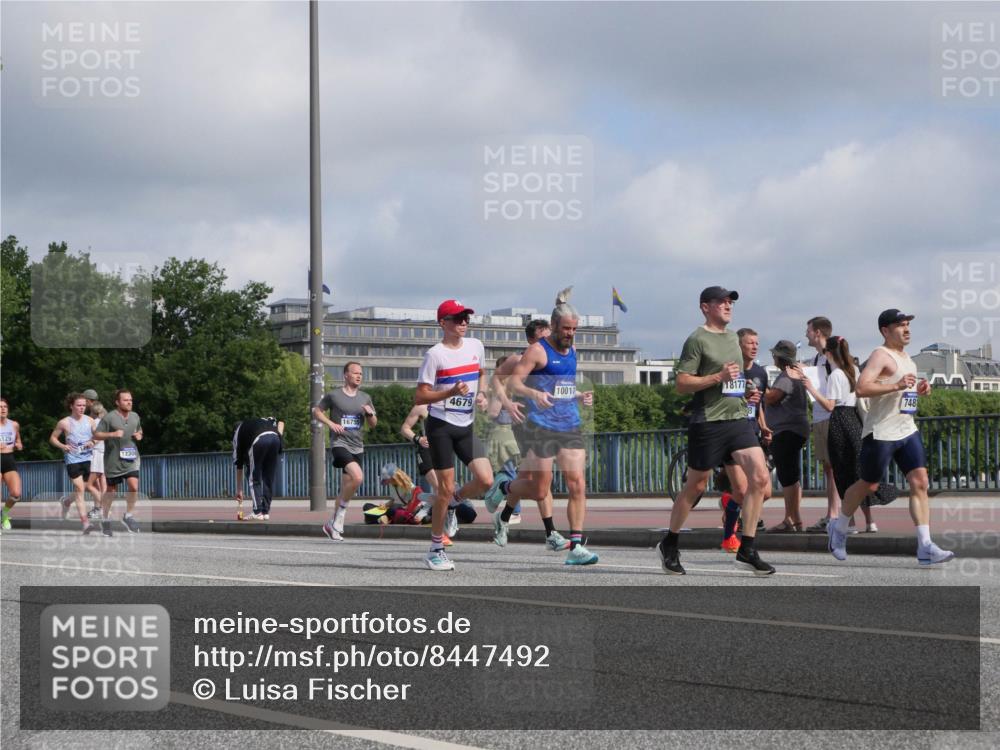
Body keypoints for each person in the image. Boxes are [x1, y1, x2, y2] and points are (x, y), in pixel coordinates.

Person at [656, 286, 774, 576]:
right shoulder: (697, 339)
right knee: (696, 486)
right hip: (707, 422)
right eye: (721, 301)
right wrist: (717, 377)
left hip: (737, 421)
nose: (727, 305)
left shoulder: (734, 339)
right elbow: (682, 383)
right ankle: (669, 542)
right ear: (704, 307)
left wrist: (746, 391)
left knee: (760, 478)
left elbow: (734, 379)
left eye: (730, 301)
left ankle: (747, 548)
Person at [828, 310, 954, 565]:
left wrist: (919, 388)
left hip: (906, 428)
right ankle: (839, 528)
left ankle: (925, 546)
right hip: (882, 431)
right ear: (885, 330)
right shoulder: (880, 355)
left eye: (907, 325)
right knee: (868, 484)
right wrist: (896, 385)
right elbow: (862, 388)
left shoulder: (908, 358)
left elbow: (904, 391)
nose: (906, 329)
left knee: (920, 481)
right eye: (900, 325)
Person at [484, 287, 597, 565]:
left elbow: (562, 386)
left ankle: (576, 546)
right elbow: (513, 382)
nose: (570, 334)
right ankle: (505, 486)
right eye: (566, 328)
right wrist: (534, 395)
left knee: (577, 484)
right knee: (538, 490)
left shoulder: (573, 350)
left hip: (569, 423)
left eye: (574, 329)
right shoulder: (537, 351)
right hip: (540, 426)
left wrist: (579, 396)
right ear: (553, 327)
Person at [415, 299, 493, 571]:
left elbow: (482, 373)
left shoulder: (476, 346)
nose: (463, 323)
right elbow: (420, 395)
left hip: (466, 425)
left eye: (466, 318)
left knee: (485, 479)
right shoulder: (434, 354)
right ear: (443, 323)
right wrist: (449, 392)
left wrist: (481, 393)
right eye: (457, 318)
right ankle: (435, 549)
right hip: (441, 426)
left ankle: (452, 503)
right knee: (444, 488)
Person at [487, 319, 569, 548]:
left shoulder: (550, 361)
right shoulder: (517, 360)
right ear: (532, 340)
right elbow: (496, 378)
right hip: (526, 424)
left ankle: (503, 517)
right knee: (543, 481)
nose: (548, 342)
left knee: (529, 479)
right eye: (543, 338)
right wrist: (507, 403)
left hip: (548, 423)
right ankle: (551, 533)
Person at [794, 336, 879, 532]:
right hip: (855, 421)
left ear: (829, 353)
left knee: (843, 472)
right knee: (860, 472)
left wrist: (811, 389)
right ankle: (870, 521)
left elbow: (830, 405)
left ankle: (850, 523)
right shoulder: (854, 371)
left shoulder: (835, 376)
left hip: (840, 421)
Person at [718, 328, 773, 552]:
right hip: (732, 433)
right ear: (739, 346)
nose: (754, 346)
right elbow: (725, 402)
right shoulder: (733, 371)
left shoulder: (761, 372)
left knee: (765, 492)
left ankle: (730, 503)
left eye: (756, 343)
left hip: (752, 435)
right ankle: (730, 537)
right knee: (742, 491)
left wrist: (763, 425)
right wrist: (743, 397)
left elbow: (760, 404)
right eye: (750, 343)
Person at [314, 362, 377, 541]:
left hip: (358, 445)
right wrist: (331, 424)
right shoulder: (334, 395)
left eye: (361, 374)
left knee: (345, 489)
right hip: (340, 444)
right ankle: (340, 515)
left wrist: (370, 414)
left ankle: (332, 525)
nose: (359, 376)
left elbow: (373, 425)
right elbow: (317, 411)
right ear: (346, 375)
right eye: (355, 373)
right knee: (358, 477)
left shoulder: (365, 397)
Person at [763, 340, 809, 533]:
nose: (773, 357)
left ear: (780, 357)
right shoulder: (797, 373)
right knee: (792, 475)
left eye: (775, 354)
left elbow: (772, 397)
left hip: (786, 429)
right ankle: (795, 519)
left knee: (787, 476)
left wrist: (757, 388)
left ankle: (790, 519)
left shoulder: (786, 376)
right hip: (797, 428)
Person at [803, 316, 842, 532]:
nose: (806, 334)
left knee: (833, 467)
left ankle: (835, 514)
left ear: (818, 332)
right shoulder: (818, 358)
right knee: (829, 468)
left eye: (808, 330)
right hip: (820, 415)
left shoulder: (831, 355)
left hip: (830, 415)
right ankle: (835, 513)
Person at [94, 389, 143, 535]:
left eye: (131, 400)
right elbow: (96, 434)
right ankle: (105, 519)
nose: (129, 402)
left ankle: (128, 515)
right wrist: (112, 434)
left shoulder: (135, 416)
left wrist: (139, 435)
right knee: (111, 491)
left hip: (131, 457)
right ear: (117, 402)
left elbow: (139, 429)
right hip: (113, 460)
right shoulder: (109, 418)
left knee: (134, 486)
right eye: (125, 400)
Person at [50, 394, 101, 533]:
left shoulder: (90, 421)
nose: (82, 408)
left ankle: (66, 502)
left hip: (88, 459)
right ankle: (85, 524)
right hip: (72, 460)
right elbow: (53, 438)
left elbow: (98, 436)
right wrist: (62, 446)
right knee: (79, 489)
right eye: (79, 405)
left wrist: (92, 442)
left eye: (84, 405)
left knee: (83, 488)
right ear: (71, 406)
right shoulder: (64, 422)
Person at [232, 417, 285, 521]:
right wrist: (279, 438)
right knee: (268, 477)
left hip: (259, 440)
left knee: (253, 478)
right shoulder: (260, 421)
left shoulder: (238, 432)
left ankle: (257, 512)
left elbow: (239, 463)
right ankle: (265, 511)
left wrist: (239, 489)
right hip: (275, 439)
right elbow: (281, 421)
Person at [399, 403, 439, 497]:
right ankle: (437, 509)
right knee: (438, 485)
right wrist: (419, 439)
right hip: (426, 449)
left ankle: (426, 503)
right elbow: (404, 429)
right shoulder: (421, 407)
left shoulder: (447, 405)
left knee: (445, 486)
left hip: (442, 449)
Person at [0, 397, 23, 531]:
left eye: (5, 407)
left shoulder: (14, 424)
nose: (3, 409)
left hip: (9, 459)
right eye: (0, 407)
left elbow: (18, 441)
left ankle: (4, 514)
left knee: (16, 493)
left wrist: (19, 445)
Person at [85, 395, 107, 521]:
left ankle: (101, 507)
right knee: (102, 482)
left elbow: (97, 439)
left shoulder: (95, 423)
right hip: (103, 453)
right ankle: (101, 508)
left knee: (90, 484)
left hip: (97, 453)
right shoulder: (104, 422)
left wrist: (90, 443)